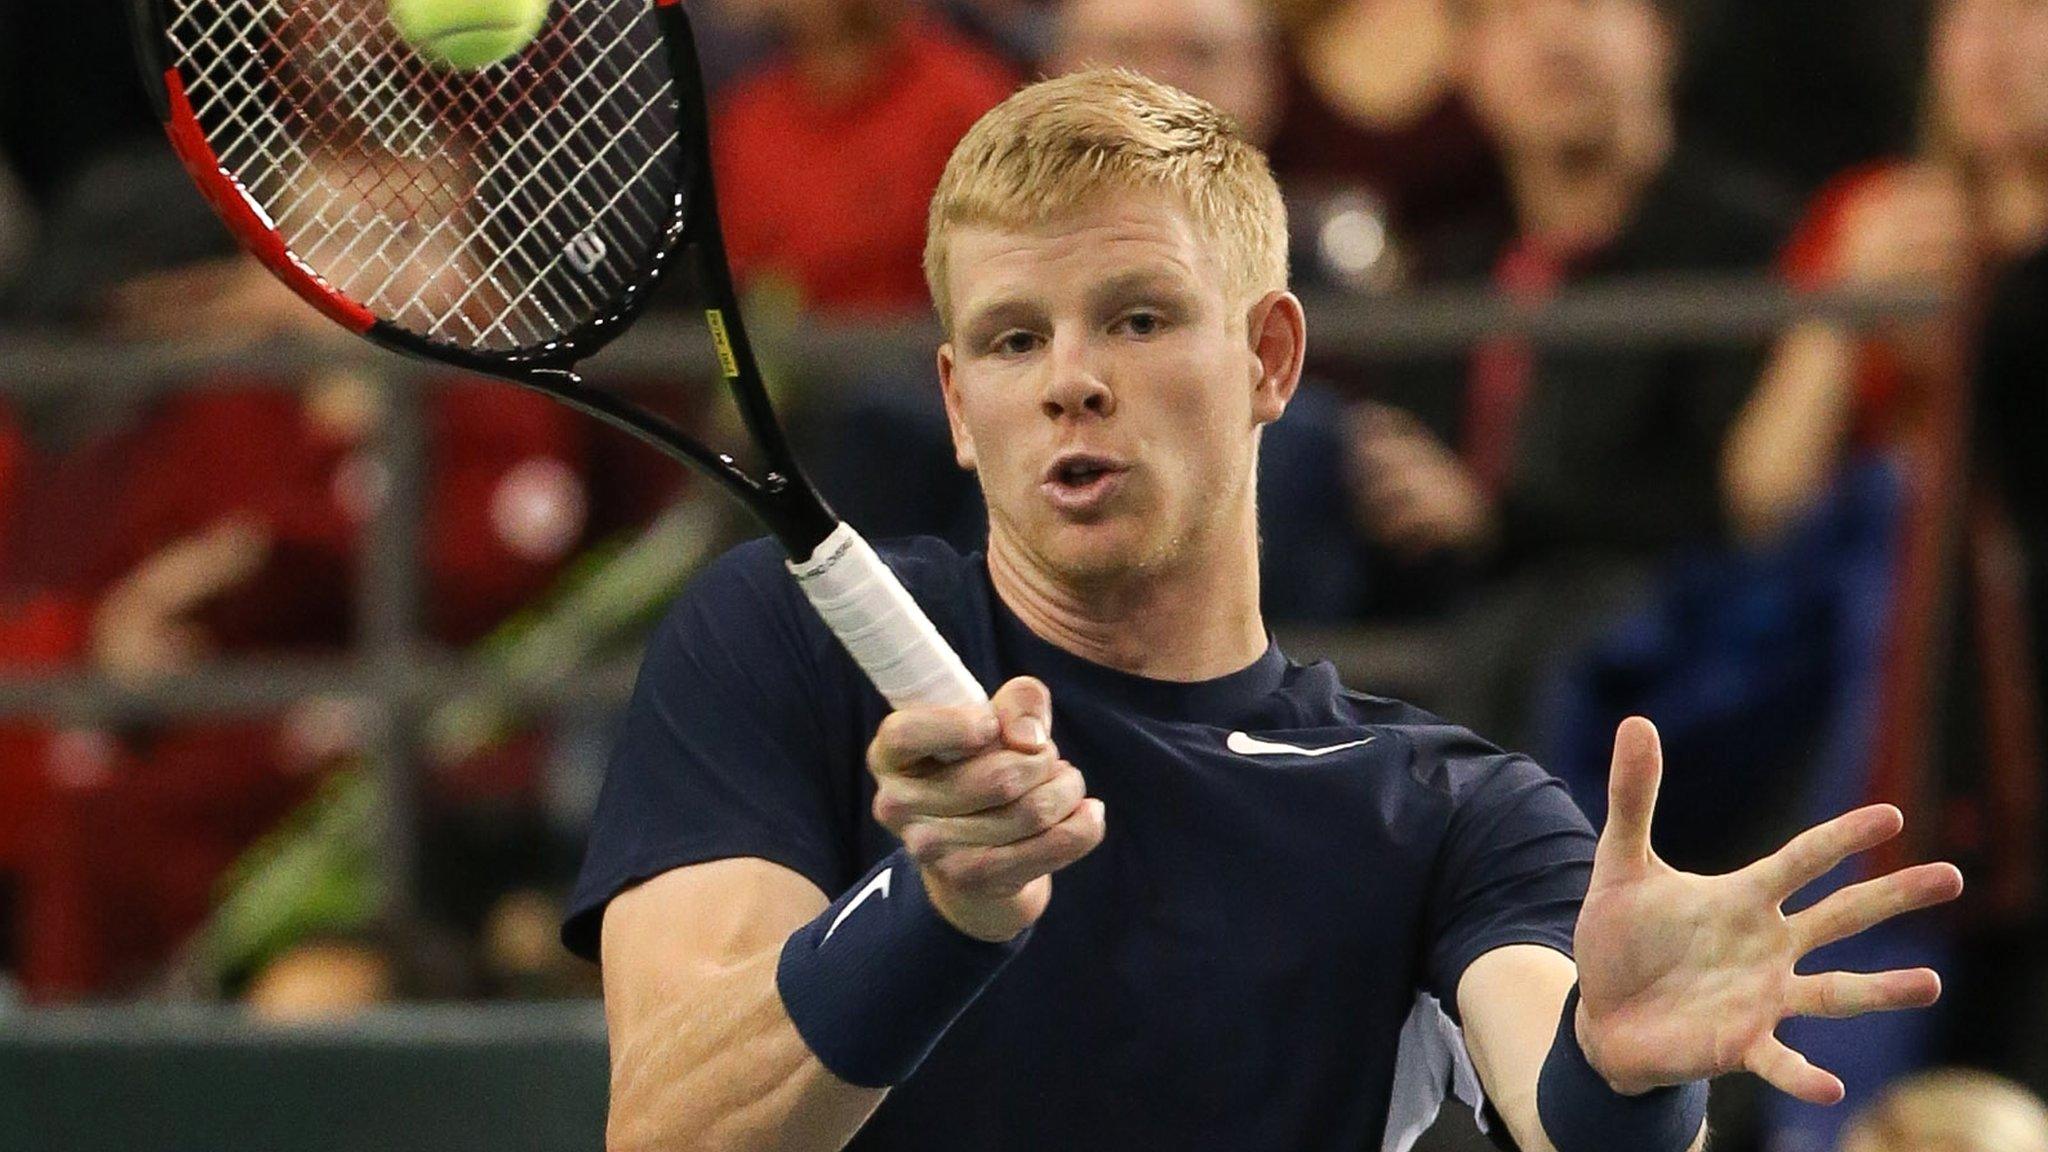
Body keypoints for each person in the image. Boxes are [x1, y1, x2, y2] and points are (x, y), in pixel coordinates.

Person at [567, 71, 1962, 1152]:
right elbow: (669, 1125)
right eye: (1012, 338)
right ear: (955, 404)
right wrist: (938, 907)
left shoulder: (1444, 811)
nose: (1069, 379)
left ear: (1270, 359)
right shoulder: (785, 640)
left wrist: (1620, 1065)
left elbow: (1570, 1095)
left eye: (1138, 317)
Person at [710, 0, 1020, 314]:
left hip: (926, 342)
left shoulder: (962, 99)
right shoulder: (749, 119)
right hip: (791, 348)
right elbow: (737, 271)